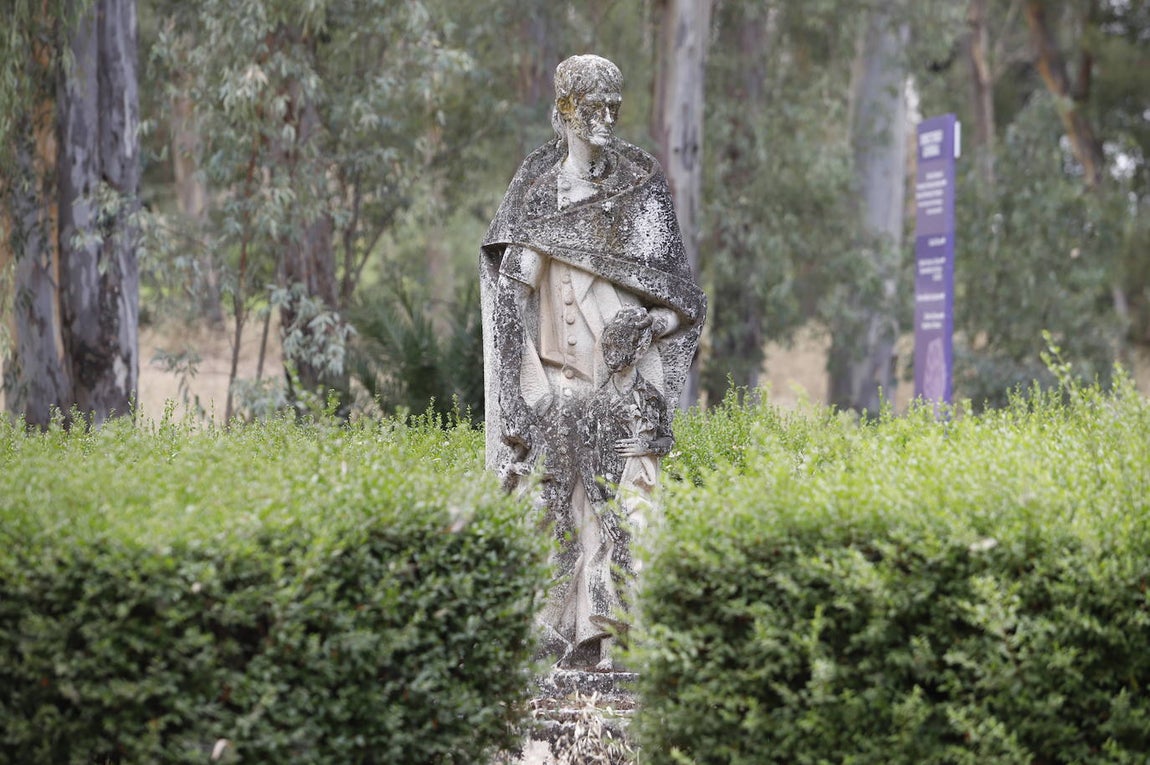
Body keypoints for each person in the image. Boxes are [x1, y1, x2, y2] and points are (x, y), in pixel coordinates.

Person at [480, 54, 705, 669]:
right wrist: (515, 398)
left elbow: (681, 303)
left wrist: (648, 324)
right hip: (558, 388)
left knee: (626, 520)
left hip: (629, 391)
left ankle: (613, 649)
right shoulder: (537, 192)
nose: (606, 117)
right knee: (552, 519)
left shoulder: (640, 186)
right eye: (593, 106)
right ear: (564, 111)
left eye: (615, 105)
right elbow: (511, 296)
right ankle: (556, 646)